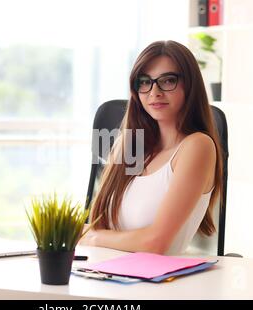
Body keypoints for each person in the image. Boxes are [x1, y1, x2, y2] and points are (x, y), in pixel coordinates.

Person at [79, 40, 223, 255]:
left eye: (168, 80)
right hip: (102, 274)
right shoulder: (132, 144)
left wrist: (93, 237)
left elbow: (155, 244)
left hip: (153, 285)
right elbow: (96, 223)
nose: (154, 91)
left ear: (190, 86)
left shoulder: (196, 146)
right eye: (144, 82)